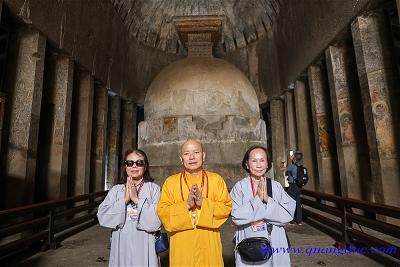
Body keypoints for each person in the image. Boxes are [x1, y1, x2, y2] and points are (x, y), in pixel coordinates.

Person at [157, 139, 232, 266]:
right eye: (186, 154)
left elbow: (226, 207)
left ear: (203, 156)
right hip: (182, 245)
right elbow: (162, 212)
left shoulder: (216, 180)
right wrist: (186, 205)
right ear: (181, 159)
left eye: (196, 152)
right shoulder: (171, 182)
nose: (192, 157)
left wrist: (203, 202)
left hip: (208, 242)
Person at [230, 145, 296, 266]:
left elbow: (288, 215)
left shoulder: (275, 186)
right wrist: (257, 200)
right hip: (248, 241)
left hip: (275, 240)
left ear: (267, 164)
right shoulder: (239, 187)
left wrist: (267, 200)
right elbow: (235, 216)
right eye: (254, 160)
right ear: (247, 164)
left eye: (262, 160)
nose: (259, 165)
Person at [97, 149, 161, 267]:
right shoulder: (116, 190)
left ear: (145, 166)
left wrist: (136, 200)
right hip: (121, 241)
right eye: (130, 163)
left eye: (139, 163)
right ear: (125, 166)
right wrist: (124, 200)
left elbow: (157, 220)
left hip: (145, 241)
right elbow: (102, 216)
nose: (134, 166)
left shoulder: (154, 189)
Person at [286, 151, 305, 225]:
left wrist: (283, 162)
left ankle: (292, 220)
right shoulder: (301, 166)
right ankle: (299, 221)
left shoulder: (291, 166)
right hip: (298, 186)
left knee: (291, 202)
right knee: (298, 202)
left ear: (294, 158)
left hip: (292, 186)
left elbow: (282, 169)